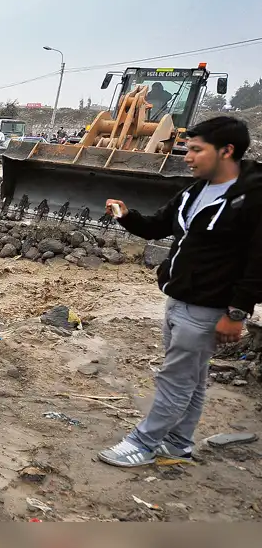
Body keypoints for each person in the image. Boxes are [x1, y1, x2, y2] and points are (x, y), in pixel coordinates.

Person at [99, 117, 260, 468]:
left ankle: (143, 443)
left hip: (208, 309)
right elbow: (158, 226)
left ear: (227, 150)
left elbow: (257, 261)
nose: (187, 157)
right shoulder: (195, 191)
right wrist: (127, 216)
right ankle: (178, 443)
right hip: (179, 301)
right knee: (193, 379)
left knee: (175, 378)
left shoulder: (253, 198)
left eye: (197, 150)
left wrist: (236, 313)